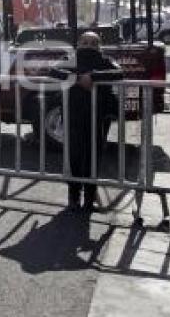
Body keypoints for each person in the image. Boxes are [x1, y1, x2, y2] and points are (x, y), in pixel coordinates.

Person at [52, 31, 123, 211]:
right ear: (78, 44)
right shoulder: (70, 58)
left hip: (98, 117)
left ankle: (89, 199)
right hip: (73, 115)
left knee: (94, 157)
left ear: (99, 46)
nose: (88, 46)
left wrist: (92, 76)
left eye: (93, 43)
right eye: (84, 42)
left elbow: (119, 73)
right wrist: (77, 79)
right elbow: (53, 71)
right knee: (73, 156)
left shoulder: (104, 60)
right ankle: (74, 196)